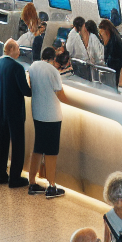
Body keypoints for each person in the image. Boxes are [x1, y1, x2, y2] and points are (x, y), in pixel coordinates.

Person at [27, 46, 70, 196]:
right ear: (53, 59)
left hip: (37, 112)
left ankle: (32, 182)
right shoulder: (52, 71)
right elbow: (60, 92)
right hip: (52, 115)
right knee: (51, 151)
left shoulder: (33, 66)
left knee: (38, 148)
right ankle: (51, 185)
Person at [0, 39, 32, 188]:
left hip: (1, 107)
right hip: (14, 110)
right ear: (12, 49)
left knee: (2, 143)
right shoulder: (17, 67)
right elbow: (26, 91)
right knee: (18, 144)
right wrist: (31, 83)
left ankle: (0, 175)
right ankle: (15, 178)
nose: (19, 52)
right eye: (18, 49)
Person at [98, 19, 122, 86]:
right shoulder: (111, 39)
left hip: (114, 73)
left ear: (107, 32)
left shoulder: (115, 43)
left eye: (102, 35)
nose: (101, 38)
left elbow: (113, 63)